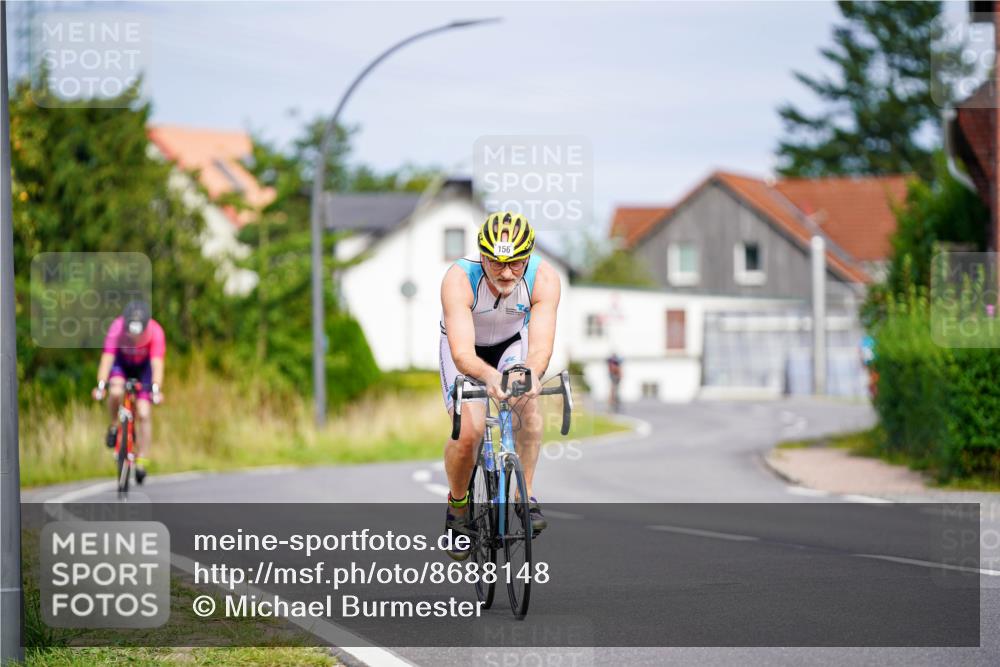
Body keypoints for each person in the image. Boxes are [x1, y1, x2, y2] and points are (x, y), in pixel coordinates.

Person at [439, 211, 561, 560]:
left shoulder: (544, 278)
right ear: (482, 256)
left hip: (511, 346)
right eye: (496, 264)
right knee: (470, 432)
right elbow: (462, 353)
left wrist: (532, 374)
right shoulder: (459, 279)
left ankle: (526, 498)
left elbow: (539, 348)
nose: (507, 273)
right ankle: (458, 507)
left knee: (528, 405)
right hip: (467, 351)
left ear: (528, 257)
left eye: (516, 264)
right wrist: (490, 378)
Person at [91, 300, 165, 483]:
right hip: (122, 364)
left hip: (144, 369)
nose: (134, 338)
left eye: (139, 334)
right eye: (130, 333)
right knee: (115, 391)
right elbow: (107, 359)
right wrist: (101, 385)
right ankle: (115, 426)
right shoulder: (116, 328)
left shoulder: (156, 332)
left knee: (144, 412)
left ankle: (141, 461)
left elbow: (157, 364)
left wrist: (156, 389)